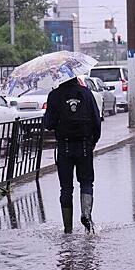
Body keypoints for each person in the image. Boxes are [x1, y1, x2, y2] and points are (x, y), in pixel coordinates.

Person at [43, 76, 101, 234]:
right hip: (84, 146)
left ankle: (68, 228)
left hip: (64, 147)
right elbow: (96, 121)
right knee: (87, 182)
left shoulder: (54, 95)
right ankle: (86, 215)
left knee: (66, 188)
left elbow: (48, 124)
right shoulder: (86, 93)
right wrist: (93, 141)